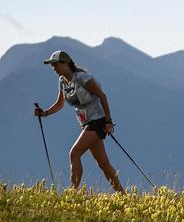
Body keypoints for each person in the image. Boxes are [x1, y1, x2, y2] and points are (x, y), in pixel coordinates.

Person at [33, 50, 124, 193]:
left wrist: (108, 121)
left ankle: (73, 193)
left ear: (66, 63)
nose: (54, 69)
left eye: (56, 65)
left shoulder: (82, 78)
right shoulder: (63, 81)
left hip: (97, 121)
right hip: (86, 124)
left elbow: (102, 96)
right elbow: (59, 104)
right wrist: (44, 114)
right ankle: (123, 195)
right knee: (103, 163)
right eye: (52, 66)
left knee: (74, 153)